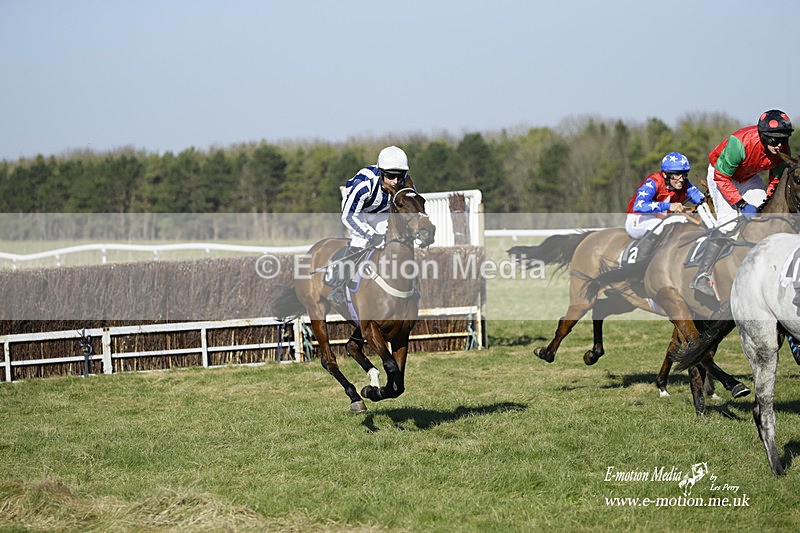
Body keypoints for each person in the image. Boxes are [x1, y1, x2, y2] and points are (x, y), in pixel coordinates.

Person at [691, 109, 794, 296]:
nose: (779, 145)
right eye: (774, 140)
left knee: (764, 218)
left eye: (783, 139)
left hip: (747, 177)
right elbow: (722, 177)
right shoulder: (739, 144)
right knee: (727, 224)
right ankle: (702, 275)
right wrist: (741, 204)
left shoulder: (782, 150)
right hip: (720, 175)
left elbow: (776, 179)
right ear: (763, 136)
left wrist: (767, 201)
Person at [327, 145, 411, 308]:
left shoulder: (404, 183)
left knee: (393, 243)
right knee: (362, 243)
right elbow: (347, 216)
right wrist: (370, 235)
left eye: (399, 176)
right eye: (391, 176)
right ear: (381, 173)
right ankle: (339, 287)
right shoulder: (363, 185)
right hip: (358, 212)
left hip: (381, 212)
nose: (395, 181)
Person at [624, 152, 705, 260]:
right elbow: (639, 206)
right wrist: (668, 206)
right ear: (665, 174)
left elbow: (701, 199)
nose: (681, 179)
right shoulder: (654, 182)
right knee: (657, 226)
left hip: (662, 220)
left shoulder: (685, 184)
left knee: (684, 223)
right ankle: (639, 267)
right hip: (637, 219)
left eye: (684, 174)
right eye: (677, 174)